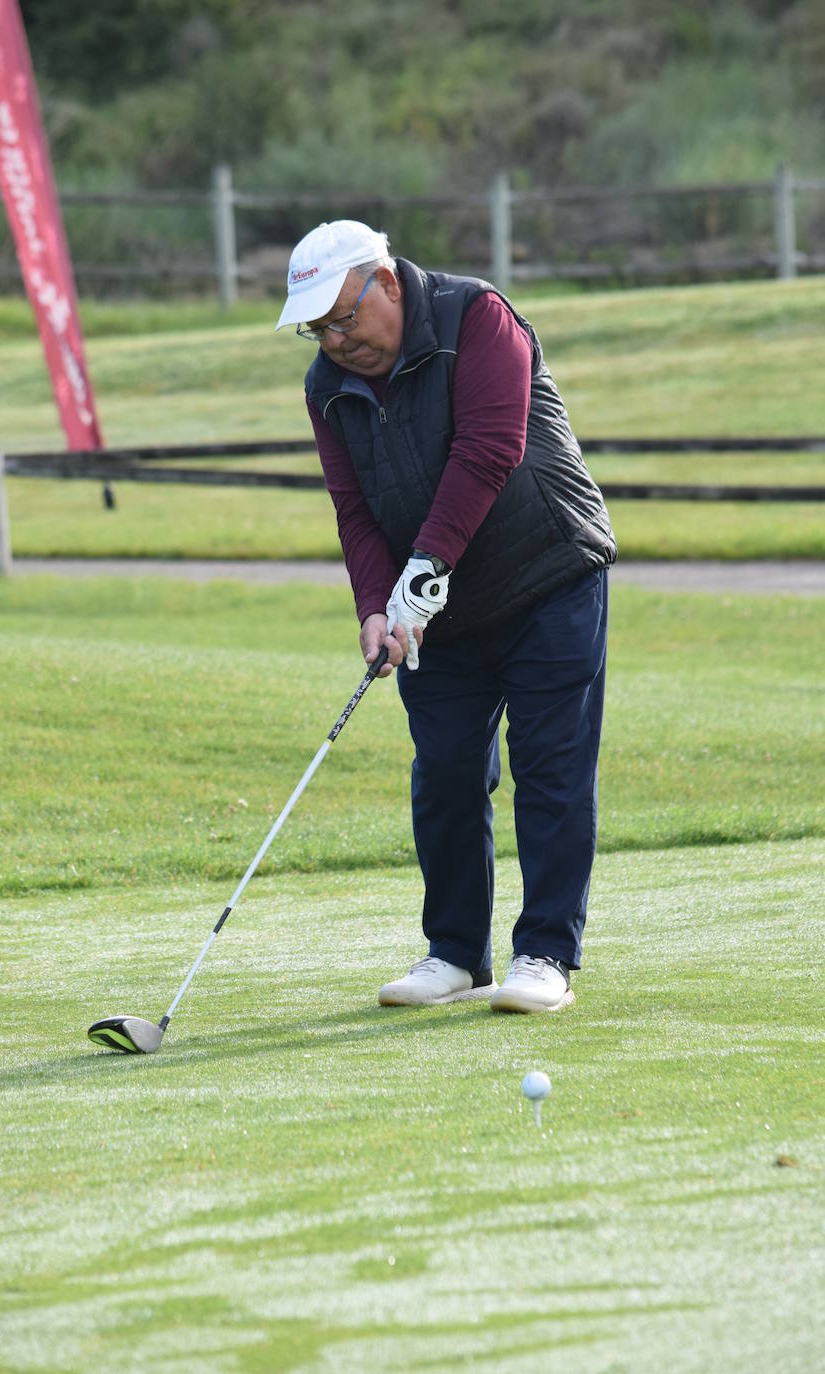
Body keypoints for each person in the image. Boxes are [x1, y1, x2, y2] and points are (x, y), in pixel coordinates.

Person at [276, 220, 616, 1013]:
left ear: (387, 283)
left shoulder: (478, 319)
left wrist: (422, 572)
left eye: (344, 318)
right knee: (447, 774)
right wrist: (374, 607)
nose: (333, 340)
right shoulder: (325, 388)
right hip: (439, 608)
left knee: (550, 767)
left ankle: (544, 953)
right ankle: (458, 954)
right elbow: (354, 510)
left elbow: (490, 448)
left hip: (548, 573)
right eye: (316, 328)